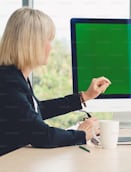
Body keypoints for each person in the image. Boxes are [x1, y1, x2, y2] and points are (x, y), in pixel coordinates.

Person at [0, 7, 111, 156]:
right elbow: (41, 135)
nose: (50, 47)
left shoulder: (15, 76)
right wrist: (82, 134)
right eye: (48, 40)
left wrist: (84, 96)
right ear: (32, 43)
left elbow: (36, 111)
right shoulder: (8, 81)